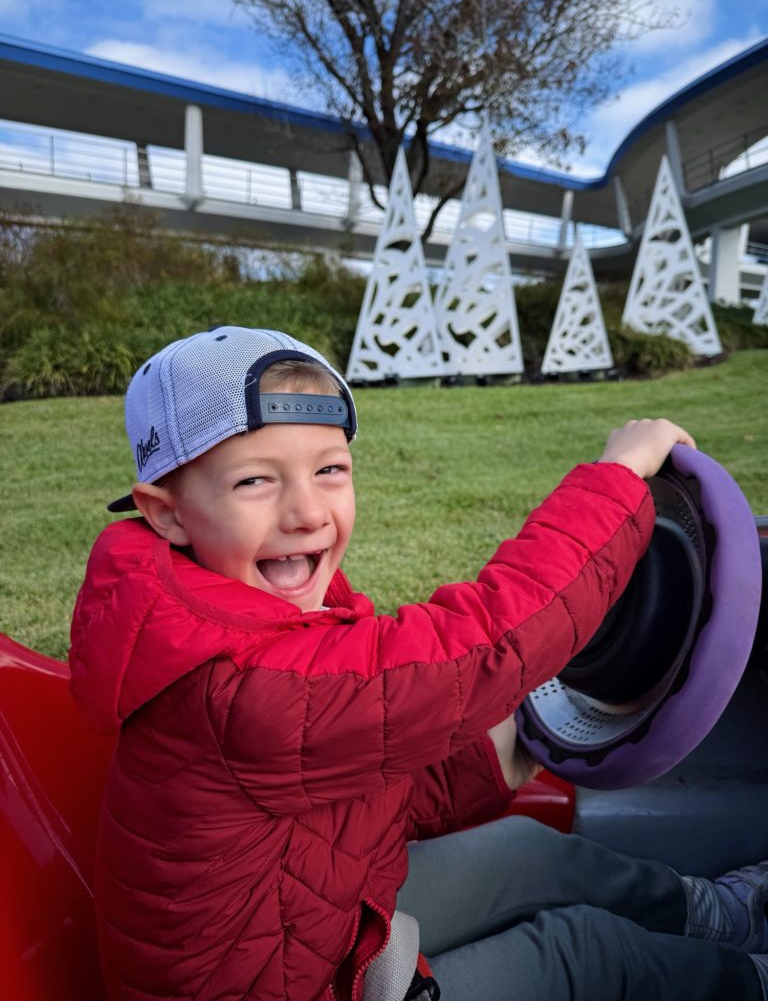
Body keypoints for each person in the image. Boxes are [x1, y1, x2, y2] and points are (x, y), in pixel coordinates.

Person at [68, 324, 732, 1001]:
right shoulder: (247, 685)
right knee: (581, 956)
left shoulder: (237, 614)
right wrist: (617, 482)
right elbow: (487, 645)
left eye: (329, 469)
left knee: (528, 853)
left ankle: (715, 915)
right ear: (169, 516)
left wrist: (497, 756)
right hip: (298, 981)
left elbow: (358, 782)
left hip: (313, 919)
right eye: (255, 481)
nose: (306, 512)